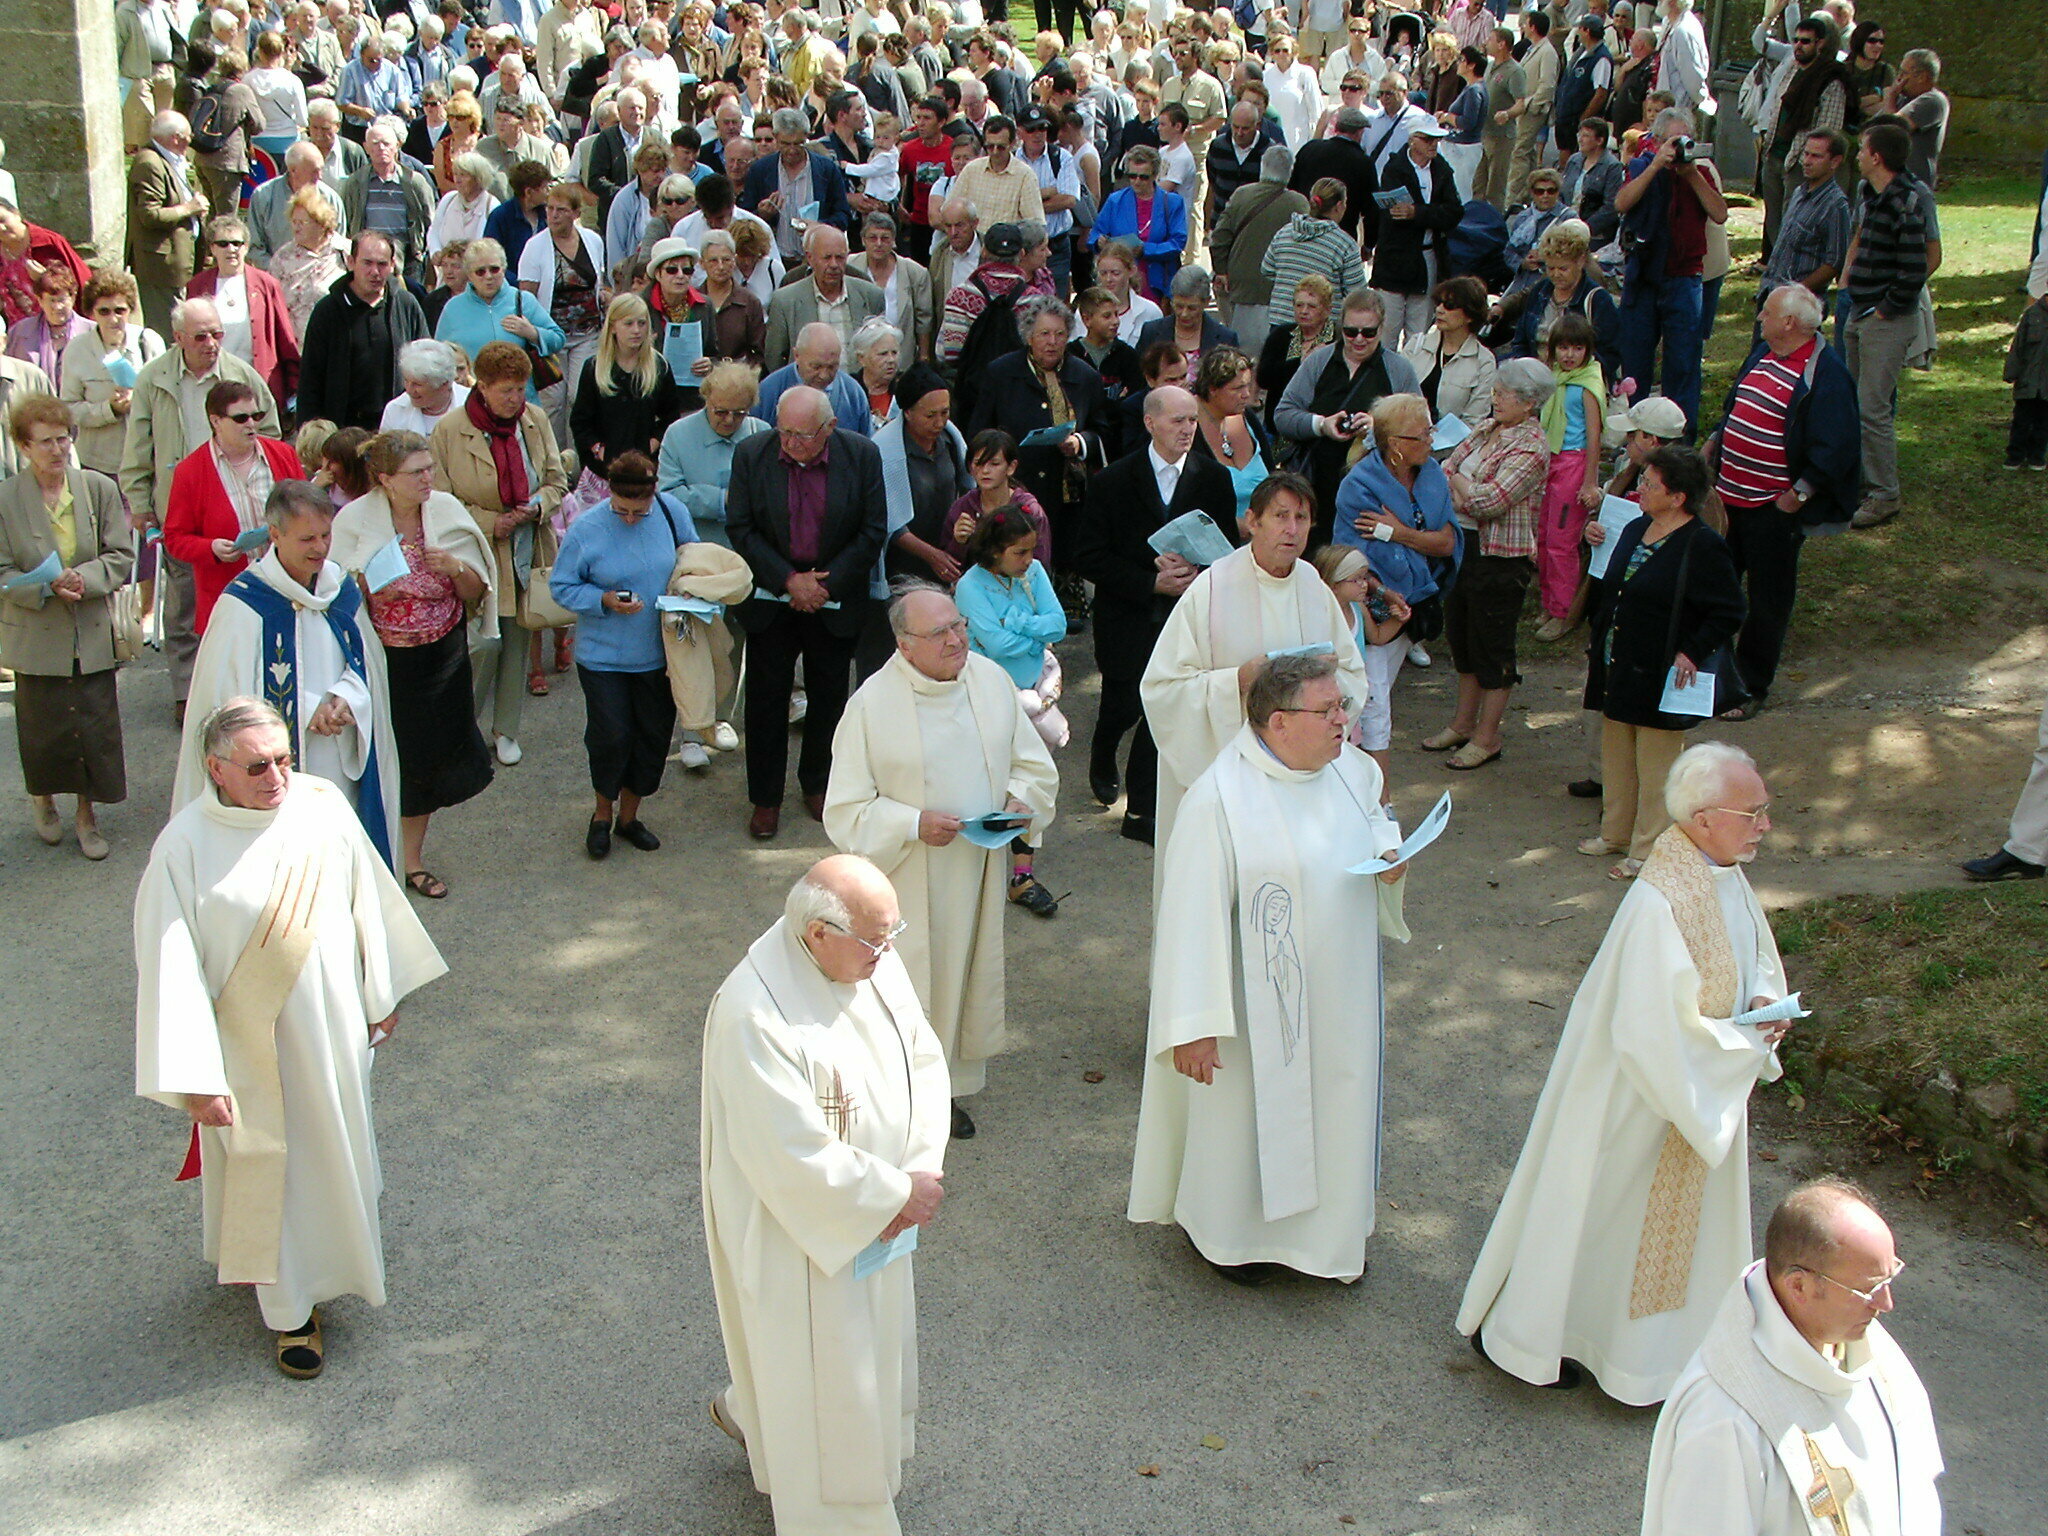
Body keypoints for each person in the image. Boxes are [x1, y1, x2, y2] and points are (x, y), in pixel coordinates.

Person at [1459, 740, 1790, 1401]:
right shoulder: (1659, 902)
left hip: (1690, 1090)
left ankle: (1658, 1358)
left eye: (1765, 809)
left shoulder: (1724, 873)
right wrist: (1739, 1048)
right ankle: (1549, 1339)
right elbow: (1649, 1033)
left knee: (1659, 1234)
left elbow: (1753, 952)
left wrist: (1761, 1002)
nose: (1765, 825)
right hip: (1635, 1102)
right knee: (1601, 1219)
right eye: (1751, 812)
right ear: (1701, 818)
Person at [135, 696, 446, 1380]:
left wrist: (380, 988)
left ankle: (338, 1264)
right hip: (249, 1050)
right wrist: (194, 1076)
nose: (276, 777)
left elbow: (368, 893)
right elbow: (167, 966)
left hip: (331, 1034)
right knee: (269, 1169)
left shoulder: (322, 805)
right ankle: (289, 1312)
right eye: (255, 767)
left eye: (282, 759)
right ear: (216, 769)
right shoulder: (182, 848)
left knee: (331, 1159)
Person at [1129, 650, 1408, 1283]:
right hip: (1253, 1009)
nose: (1344, 720)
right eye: (1329, 709)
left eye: (1343, 706)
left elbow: (1375, 825)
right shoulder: (1220, 800)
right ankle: (1233, 1240)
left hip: (1341, 995)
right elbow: (1188, 920)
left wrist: (1390, 858)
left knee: (1337, 1104)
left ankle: (1328, 1242)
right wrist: (1194, 1024)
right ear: (1277, 722)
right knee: (1243, 1120)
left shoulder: (1352, 772)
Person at [699, 853, 949, 1536]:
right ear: (817, 933)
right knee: (822, 1373)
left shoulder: (870, 960)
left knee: (862, 1359)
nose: (889, 953)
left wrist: (920, 1167)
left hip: (882, 1212)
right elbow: (787, 1155)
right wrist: (894, 1191)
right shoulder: (754, 1013)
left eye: (893, 934)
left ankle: (752, 1415)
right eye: (876, 939)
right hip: (800, 1232)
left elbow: (920, 1057)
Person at [824, 580, 1057, 1139]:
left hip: (976, 866)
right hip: (906, 878)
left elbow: (1031, 762)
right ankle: (897, 1095)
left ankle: (945, 1089)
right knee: (910, 987)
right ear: (904, 645)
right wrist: (911, 823)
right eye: (940, 633)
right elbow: (846, 810)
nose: (957, 640)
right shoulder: (871, 707)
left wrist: (1020, 800)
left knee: (962, 978)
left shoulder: (989, 680)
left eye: (959, 625)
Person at [1642, 1178, 1944, 1533]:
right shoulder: (1723, 1419)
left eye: (1890, 1276)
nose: (1886, 1304)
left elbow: (1914, 1482)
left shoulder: (1872, 1351)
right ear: (1798, 1285)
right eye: (1868, 1289)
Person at [1141, 467, 1368, 894]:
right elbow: (1162, 688)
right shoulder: (1211, 589)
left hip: (1298, 773)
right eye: (1280, 516)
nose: (1292, 530)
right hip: (1233, 771)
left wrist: (1321, 705)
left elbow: (1353, 674)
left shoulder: (1313, 588)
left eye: (1302, 519)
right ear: (1252, 521)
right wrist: (1236, 682)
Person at [328, 430, 493, 897]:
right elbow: (336, 597)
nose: (428, 479)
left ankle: (411, 861)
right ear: (384, 479)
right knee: (381, 758)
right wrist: (369, 579)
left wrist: (456, 569)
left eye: (429, 469)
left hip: (441, 655)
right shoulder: (354, 520)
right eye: (416, 472)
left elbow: (477, 592)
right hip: (382, 660)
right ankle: (375, 857)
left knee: (427, 762)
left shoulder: (445, 511)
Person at [725, 384, 890, 840]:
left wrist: (825, 584)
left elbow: (873, 529)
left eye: (803, 435)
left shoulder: (861, 456)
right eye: (785, 433)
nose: (792, 444)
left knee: (829, 699)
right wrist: (787, 579)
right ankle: (765, 799)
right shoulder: (752, 455)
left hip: (833, 598)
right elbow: (740, 526)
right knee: (766, 701)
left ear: (831, 427)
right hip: (771, 599)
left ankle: (818, 784)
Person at [1073, 385, 1237, 841]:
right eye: (1177, 421)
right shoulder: (1112, 481)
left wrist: (1196, 568)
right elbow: (1088, 555)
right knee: (1123, 705)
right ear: (1150, 423)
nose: (1187, 430)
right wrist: (1149, 579)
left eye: (1191, 421)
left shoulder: (1213, 479)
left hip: (1186, 617)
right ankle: (1103, 747)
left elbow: (1224, 552)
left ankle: (1141, 813)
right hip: (1127, 616)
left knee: (1161, 712)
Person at [1580, 447, 1747, 878]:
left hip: (1661, 671)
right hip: (1619, 661)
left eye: (1650, 484)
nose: (1640, 488)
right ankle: (1615, 833)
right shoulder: (1638, 527)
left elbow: (1729, 610)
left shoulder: (1702, 545)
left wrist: (1691, 650)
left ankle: (1647, 848)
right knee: (1616, 753)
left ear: (1677, 497)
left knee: (1656, 766)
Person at [1703, 285, 1860, 720]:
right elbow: (1737, 402)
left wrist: (1799, 494)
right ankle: (1706, 677)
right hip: (1728, 501)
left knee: (1768, 601)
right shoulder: (1763, 354)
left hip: (1772, 510)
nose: (1759, 319)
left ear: (1790, 322)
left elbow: (1838, 445)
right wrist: (1717, 439)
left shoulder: (1826, 373)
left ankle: (1749, 685)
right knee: (1714, 588)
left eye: (1767, 313)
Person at [120, 303, 280, 724]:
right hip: (179, 499)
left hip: (240, 502)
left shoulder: (240, 374)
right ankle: (186, 691)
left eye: (217, 334)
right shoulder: (153, 378)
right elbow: (138, 446)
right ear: (178, 339)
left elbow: (270, 431)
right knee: (185, 607)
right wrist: (140, 505)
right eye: (201, 337)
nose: (211, 344)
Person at [0, 395, 134, 858]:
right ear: (23, 446)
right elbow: (1, 570)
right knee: (44, 728)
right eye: (45, 442)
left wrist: (87, 576)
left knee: (94, 726)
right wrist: (41, 586)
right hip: (37, 635)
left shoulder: (97, 488)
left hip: (91, 630)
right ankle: (43, 798)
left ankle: (86, 816)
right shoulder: (5, 498)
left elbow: (121, 554)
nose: (57, 450)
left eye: (63, 439)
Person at [548, 450, 690, 859]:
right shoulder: (587, 528)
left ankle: (630, 817)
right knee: (611, 736)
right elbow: (562, 586)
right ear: (609, 495)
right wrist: (603, 599)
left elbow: (693, 562)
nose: (629, 518)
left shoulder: (670, 512)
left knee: (651, 737)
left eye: (638, 512)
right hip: (603, 656)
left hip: (659, 652)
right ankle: (601, 814)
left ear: (652, 496)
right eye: (621, 510)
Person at [430, 340, 567, 766]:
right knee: (483, 643)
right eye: (506, 390)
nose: (516, 399)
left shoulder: (535, 419)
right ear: (481, 387)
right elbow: (440, 501)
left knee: (517, 640)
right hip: (474, 553)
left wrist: (538, 505)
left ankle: (506, 729)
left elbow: (556, 480)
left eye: (521, 389)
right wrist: (493, 523)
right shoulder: (450, 431)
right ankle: (459, 728)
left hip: (527, 546)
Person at [1421, 357, 1552, 771]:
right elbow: (1446, 465)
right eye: (1495, 391)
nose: (1495, 399)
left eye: (1503, 394)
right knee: (1461, 635)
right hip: (1464, 545)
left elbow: (1488, 502)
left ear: (1529, 403)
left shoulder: (1531, 447)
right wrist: (1466, 488)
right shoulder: (1486, 428)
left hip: (1499, 557)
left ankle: (1487, 735)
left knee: (1492, 646)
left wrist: (1462, 488)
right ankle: (1462, 723)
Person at [1331, 392, 1461, 780]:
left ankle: (1366, 790)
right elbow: (1352, 561)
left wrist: (1397, 532)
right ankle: (1378, 799)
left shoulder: (1433, 475)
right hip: (1375, 605)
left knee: (1375, 697)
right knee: (1371, 703)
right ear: (1396, 446)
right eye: (1422, 435)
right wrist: (1416, 540)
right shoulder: (1359, 487)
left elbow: (1448, 543)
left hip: (1417, 602)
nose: (1431, 442)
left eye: (1430, 432)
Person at [966, 293, 1111, 612]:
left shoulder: (1084, 376)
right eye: (1044, 334)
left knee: (1066, 543)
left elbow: (1104, 428)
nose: (1053, 342)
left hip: (1068, 485)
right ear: (1029, 336)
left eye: (1060, 334)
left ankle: (1067, 596)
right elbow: (979, 430)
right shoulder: (1001, 373)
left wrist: (1080, 443)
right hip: (1019, 482)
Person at [161, 378, 307, 638]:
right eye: (240, 418)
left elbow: (307, 512)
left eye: (256, 415)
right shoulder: (190, 472)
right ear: (216, 421)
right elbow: (174, 539)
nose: (251, 424)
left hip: (287, 587)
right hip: (229, 596)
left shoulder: (283, 455)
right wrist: (210, 548)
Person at [1613, 108, 1729, 435]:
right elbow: (1622, 204)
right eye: (1671, 141)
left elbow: (1719, 214)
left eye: (1684, 141)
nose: (1677, 148)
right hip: (1645, 277)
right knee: (1636, 363)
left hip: (1684, 277)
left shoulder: (1700, 173)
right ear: (1658, 141)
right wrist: (1655, 166)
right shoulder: (1640, 167)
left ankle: (1679, 437)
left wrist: (1690, 174)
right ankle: (1637, 435)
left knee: (1683, 363)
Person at [1274, 288, 1422, 543]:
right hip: (1317, 485)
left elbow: (1421, 431)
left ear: (1382, 327)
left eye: (1369, 332)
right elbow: (1283, 414)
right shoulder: (1319, 361)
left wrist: (1378, 429)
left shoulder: (1398, 369)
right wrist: (1321, 425)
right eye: (1351, 331)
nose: (1359, 339)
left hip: (1373, 494)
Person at [1841, 122, 1929, 531]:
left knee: (1873, 407)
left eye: (1862, 150)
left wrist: (1883, 311)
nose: (1858, 155)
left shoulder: (1907, 201)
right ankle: (1859, 480)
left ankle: (1884, 494)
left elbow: (1915, 270)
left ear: (1877, 157)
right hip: (1860, 310)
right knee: (1856, 405)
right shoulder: (1869, 194)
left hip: (1884, 318)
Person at [956, 503, 1070, 767]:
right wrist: (1037, 642)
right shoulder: (970, 586)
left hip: (1037, 694)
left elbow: (1058, 626)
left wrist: (1016, 621)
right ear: (995, 551)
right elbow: (996, 645)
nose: (1029, 560)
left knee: (1038, 776)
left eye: (1031, 550)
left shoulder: (1035, 571)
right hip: (992, 700)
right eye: (1020, 552)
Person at [299, 232, 432, 433]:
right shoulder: (328, 311)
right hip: (342, 431)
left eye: (382, 264)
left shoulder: (406, 305)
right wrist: (310, 430)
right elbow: (311, 377)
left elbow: (426, 366)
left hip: (397, 428)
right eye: (367, 263)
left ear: (393, 264)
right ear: (351, 262)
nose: (375, 272)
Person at [1530, 314, 1606, 641]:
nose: (1569, 355)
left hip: (1574, 464)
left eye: (1577, 348)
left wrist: (1589, 482)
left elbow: (1594, 435)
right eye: (1563, 347)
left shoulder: (1587, 384)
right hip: (1550, 460)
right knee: (1545, 537)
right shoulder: (1555, 379)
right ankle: (1549, 602)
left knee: (1562, 542)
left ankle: (1564, 613)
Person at [184, 216, 302, 411]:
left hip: (257, 381)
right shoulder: (197, 285)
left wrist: (293, 388)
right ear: (213, 249)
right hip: (212, 381)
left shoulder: (267, 284)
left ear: (246, 247)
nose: (231, 249)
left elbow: (284, 338)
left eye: (237, 243)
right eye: (223, 244)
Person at [434, 237, 566, 409]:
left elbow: (558, 338)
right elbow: (439, 356)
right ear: (469, 275)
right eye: (480, 272)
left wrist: (532, 333)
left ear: (504, 269)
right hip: (473, 403)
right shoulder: (453, 308)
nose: (488, 276)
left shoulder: (523, 300)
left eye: (494, 269)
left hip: (521, 402)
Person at [60, 273, 165, 485]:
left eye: (120, 310)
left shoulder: (149, 342)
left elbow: (167, 399)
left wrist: (139, 399)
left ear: (130, 311)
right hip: (97, 465)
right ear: (91, 313)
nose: (113, 319)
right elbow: (68, 409)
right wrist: (109, 409)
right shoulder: (77, 350)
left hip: (146, 461)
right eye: (104, 311)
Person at [1368, 121, 1460, 351]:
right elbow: (1391, 217)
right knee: (1387, 330)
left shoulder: (1441, 169)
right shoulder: (1394, 169)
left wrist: (1417, 213)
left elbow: (1454, 211)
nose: (1434, 145)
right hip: (1395, 259)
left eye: (1436, 140)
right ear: (1412, 140)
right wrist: (1425, 214)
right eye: (1428, 139)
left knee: (1418, 333)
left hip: (1428, 257)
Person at [1506, 217, 1622, 386]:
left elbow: (1610, 354)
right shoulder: (1540, 291)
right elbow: (1521, 339)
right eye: (1550, 268)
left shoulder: (1598, 300)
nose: (1555, 274)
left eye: (1563, 269)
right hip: (1534, 379)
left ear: (1581, 261)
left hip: (1577, 383)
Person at [128, 112, 211, 338]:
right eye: (188, 136)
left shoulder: (171, 159)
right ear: (176, 138)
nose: (190, 141)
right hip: (161, 267)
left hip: (179, 262)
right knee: (165, 333)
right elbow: (149, 214)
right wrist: (189, 208)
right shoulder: (149, 163)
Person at [1756, 129, 1852, 317]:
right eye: (1806, 153)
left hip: (1799, 307)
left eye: (1816, 156)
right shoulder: (1799, 192)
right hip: (1771, 294)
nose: (1807, 161)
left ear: (1835, 161)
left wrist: (1796, 292)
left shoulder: (1835, 205)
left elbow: (1834, 262)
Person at [341, 120, 439, 287]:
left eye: (386, 143)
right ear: (365, 147)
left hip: (407, 258)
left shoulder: (414, 182)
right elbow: (348, 222)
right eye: (375, 143)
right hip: (368, 256)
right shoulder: (354, 183)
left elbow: (429, 219)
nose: (381, 148)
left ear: (397, 146)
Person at [1188, 346, 1271, 522]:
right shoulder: (1188, 425)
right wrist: (1231, 525)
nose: (1246, 395)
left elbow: (1273, 478)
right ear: (1212, 389)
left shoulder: (1248, 418)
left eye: (1248, 386)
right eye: (1237, 388)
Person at [1401, 276, 1494, 432]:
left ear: (1470, 315)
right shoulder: (1416, 345)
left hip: (1451, 450)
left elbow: (1473, 421)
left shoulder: (1484, 361)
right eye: (1438, 303)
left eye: (1449, 305)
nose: (1439, 309)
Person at [849, 213, 935, 363]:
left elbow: (924, 318)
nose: (879, 243)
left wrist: (924, 355)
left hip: (901, 356)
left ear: (894, 241)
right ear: (863, 240)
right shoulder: (850, 266)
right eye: (872, 238)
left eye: (885, 238)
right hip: (860, 358)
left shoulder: (915, 272)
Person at [270, 188, 352, 342]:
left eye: (302, 222)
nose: (296, 227)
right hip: (298, 347)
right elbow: (272, 303)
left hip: (341, 341)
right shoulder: (283, 257)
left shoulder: (346, 251)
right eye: (294, 222)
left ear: (321, 223)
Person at [1256, 274, 1333, 437]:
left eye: (1312, 306)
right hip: (1277, 425)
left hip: (1321, 426)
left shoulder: (1336, 340)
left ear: (1327, 310)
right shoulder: (1281, 334)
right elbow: (1263, 378)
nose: (1304, 311)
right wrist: (1300, 362)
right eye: (1299, 305)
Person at [4, 268, 90, 391]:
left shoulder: (91, 332)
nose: (57, 306)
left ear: (73, 297)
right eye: (51, 300)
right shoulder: (19, 332)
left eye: (62, 300)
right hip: (33, 405)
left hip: (79, 407)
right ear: (40, 301)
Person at [1883, 48, 1948, 191]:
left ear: (1922, 77)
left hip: (1913, 185)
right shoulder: (1903, 100)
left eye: (1904, 73)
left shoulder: (1933, 100)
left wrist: (1890, 97)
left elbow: (1892, 130)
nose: (1899, 78)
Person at [1557, 118, 1625, 248]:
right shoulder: (1574, 160)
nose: (1580, 139)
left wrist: (1582, 229)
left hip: (1594, 234)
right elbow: (1561, 193)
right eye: (1580, 135)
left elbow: (1610, 206)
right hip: (1565, 227)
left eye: (1586, 136)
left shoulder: (1612, 166)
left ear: (1600, 141)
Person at [380, 339, 471, 436]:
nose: (409, 390)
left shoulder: (472, 404)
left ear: (444, 384)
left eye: (417, 384)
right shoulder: (395, 409)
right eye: (406, 380)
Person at [1086, 237, 1165, 346]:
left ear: (1131, 271)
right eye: (1103, 273)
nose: (1109, 279)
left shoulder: (1151, 312)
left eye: (1115, 273)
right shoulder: (1087, 310)